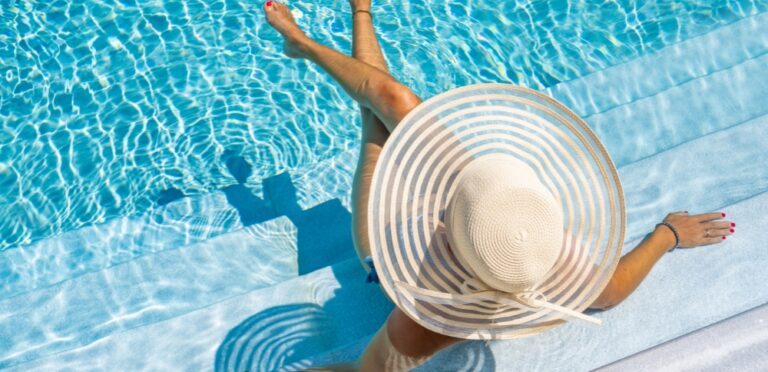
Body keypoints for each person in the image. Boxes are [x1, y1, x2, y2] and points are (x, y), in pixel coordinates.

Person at [263, 1, 737, 370]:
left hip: (387, 235)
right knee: (395, 100)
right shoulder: (531, 242)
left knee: (377, 125)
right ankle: (349, 18)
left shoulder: (425, 320)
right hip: (476, 205)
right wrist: (666, 236)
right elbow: (610, 290)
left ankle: (312, 39)